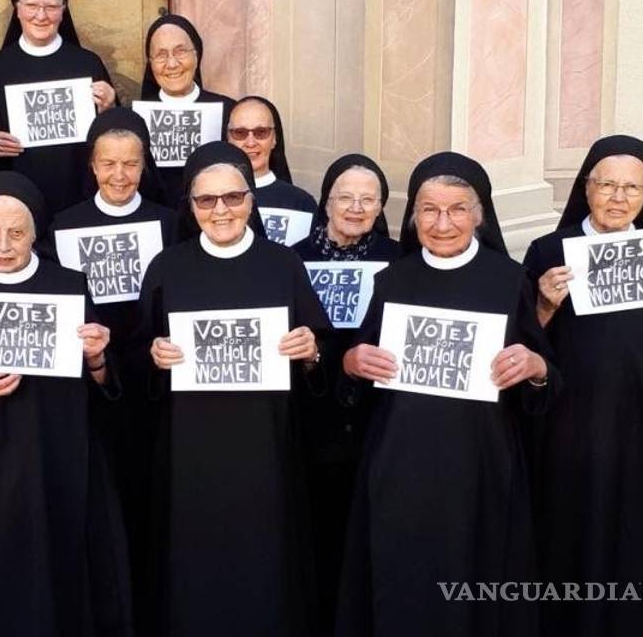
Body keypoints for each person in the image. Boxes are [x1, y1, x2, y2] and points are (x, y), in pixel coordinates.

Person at [337, 152, 559, 637]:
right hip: (400, 469)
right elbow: (358, 364)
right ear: (413, 217)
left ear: (479, 216)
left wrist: (536, 369)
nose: (442, 223)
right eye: (429, 210)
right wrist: (352, 362)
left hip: (480, 469)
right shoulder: (393, 279)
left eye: (456, 209)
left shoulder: (507, 281)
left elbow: (543, 378)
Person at [0, 172, 133, 636]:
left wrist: (97, 358)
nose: (2, 244)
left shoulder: (69, 286)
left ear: (36, 231)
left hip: (66, 460)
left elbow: (109, 384)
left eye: (15, 233)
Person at [138, 141, 332, 636]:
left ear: (251, 200)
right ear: (191, 205)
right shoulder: (167, 267)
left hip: (265, 445)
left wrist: (310, 350)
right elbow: (140, 352)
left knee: (265, 559)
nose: (221, 210)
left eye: (233, 198)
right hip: (190, 452)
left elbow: (319, 349)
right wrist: (154, 355)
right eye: (206, 200)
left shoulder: (283, 264)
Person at [524, 135, 643, 635]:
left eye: (632, 188)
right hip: (570, 423)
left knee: (634, 529)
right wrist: (545, 305)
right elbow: (525, 342)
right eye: (608, 185)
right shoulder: (549, 251)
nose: (619, 198)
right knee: (571, 526)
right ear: (587, 188)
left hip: (640, 423)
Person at [46, 107, 177, 626]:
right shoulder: (63, 225)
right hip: (88, 385)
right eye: (108, 164)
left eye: (130, 164)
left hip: (155, 382)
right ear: (92, 166)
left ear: (145, 166)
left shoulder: (170, 224)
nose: (120, 175)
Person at [293, 153, 401, 637]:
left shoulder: (400, 262)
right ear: (326, 202)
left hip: (377, 417)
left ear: (381, 208)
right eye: (345, 197)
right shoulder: (293, 258)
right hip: (308, 416)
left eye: (368, 199)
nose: (355, 208)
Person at [0, 0, 118, 214]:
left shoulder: (87, 63)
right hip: (16, 199)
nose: (41, 15)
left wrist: (109, 108)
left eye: (51, 7)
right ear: (17, 9)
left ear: (63, 11)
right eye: (32, 6)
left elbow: (114, 133)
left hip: (78, 194)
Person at [137, 13, 236, 203]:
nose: (172, 64)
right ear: (150, 63)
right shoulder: (137, 118)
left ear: (197, 55)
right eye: (161, 55)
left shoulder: (229, 111)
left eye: (180, 51)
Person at [224, 95, 317, 244]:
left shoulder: (301, 203)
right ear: (228, 138)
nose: (250, 142)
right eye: (240, 133)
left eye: (261, 132)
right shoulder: (210, 198)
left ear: (274, 138)